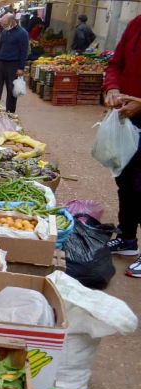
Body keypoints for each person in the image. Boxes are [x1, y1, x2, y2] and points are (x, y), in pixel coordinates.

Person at [102, 15, 141, 276]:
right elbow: (116, 64)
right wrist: (113, 88)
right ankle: (127, 238)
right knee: (125, 181)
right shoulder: (137, 24)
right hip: (128, 120)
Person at [0, 14, 29, 113]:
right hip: (1, 63)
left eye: (4, 24)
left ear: (11, 22)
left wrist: (21, 68)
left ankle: (10, 112)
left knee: (11, 89)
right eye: (2, 24)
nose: (3, 26)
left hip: (13, 65)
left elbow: (24, 52)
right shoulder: (4, 32)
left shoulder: (23, 33)